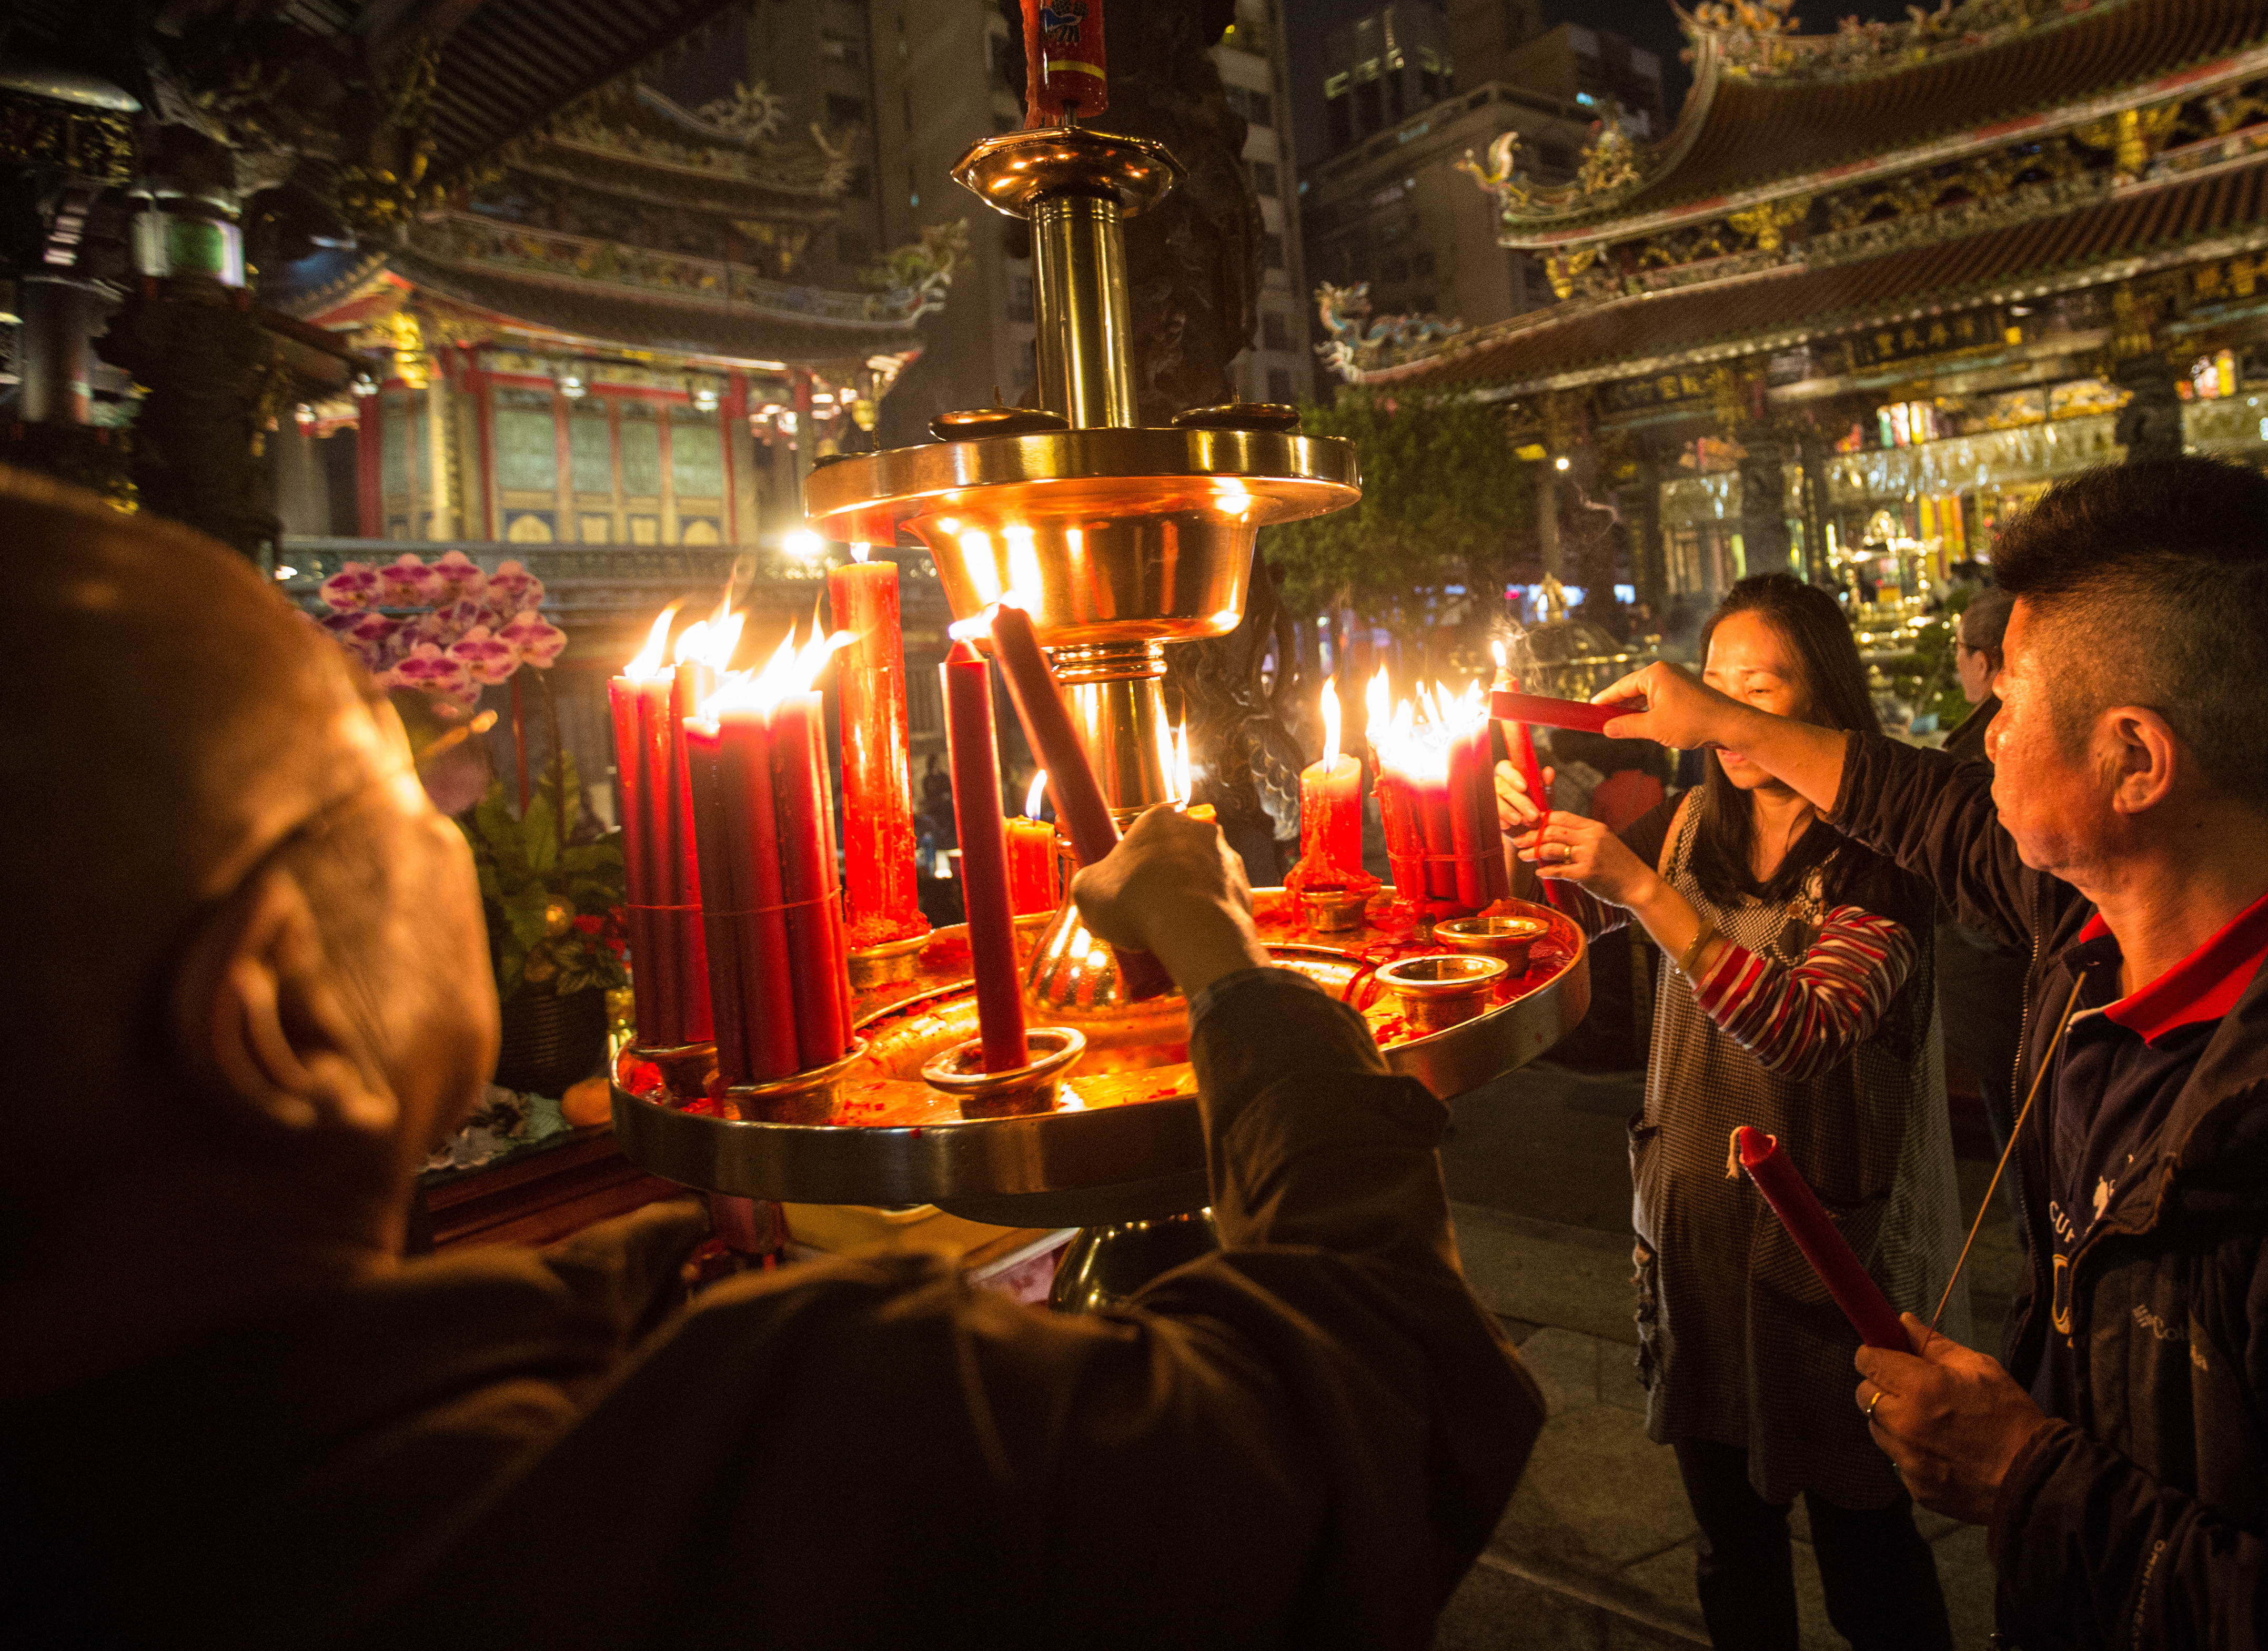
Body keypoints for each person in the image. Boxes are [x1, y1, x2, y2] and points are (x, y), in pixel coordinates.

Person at [0, 471, 1541, 1649]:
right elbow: (1380, 1378)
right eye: (396, 796)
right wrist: (1224, 962)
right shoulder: (792, 1458)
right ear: (279, 1012)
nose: (447, 823)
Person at [1585, 460, 2268, 1648]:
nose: (1981, 737)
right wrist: (1728, 724)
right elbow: (1925, 803)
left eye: (2005, 702)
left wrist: (2026, 1477)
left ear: (2133, 760)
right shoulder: (2094, 930)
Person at [1506, 572, 1959, 1651]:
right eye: (1711, 685)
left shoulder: (1881, 858)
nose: (1725, 713)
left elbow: (1806, 1031)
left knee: (1869, 1561)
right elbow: (1579, 943)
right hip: (1700, 1250)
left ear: (1823, 700)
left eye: (1760, 686)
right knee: (1731, 1553)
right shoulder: (1689, 826)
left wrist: (1646, 894)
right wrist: (1517, 842)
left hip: (1829, 1267)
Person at [1938, 588, 2031, 1148]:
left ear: (1984, 660)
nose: (1956, 664)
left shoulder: (1989, 749)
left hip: (2004, 1004)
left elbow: (1986, 900)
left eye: (1960, 650)